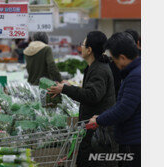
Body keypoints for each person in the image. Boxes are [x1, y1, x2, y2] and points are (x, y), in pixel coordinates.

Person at [47, 31, 117, 167]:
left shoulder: (99, 70)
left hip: (98, 134)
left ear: (89, 50)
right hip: (93, 129)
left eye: (83, 44)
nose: (81, 47)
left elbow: (92, 95)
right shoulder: (95, 66)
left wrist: (65, 89)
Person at [89, 32, 141, 167]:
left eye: (114, 59)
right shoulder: (135, 72)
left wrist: (99, 120)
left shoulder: (136, 76)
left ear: (122, 57)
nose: (113, 63)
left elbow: (124, 109)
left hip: (134, 142)